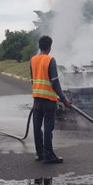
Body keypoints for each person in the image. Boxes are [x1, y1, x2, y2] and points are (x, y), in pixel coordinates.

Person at [30, 36, 72, 164]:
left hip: (37, 99)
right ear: (49, 46)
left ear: (40, 46)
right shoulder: (50, 60)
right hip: (48, 100)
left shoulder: (33, 60)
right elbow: (55, 82)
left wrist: (52, 94)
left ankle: (40, 154)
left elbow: (33, 80)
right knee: (48, 127)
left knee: (37, 127)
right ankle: (49, 155)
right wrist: (64, 99)